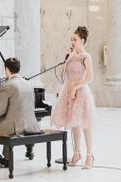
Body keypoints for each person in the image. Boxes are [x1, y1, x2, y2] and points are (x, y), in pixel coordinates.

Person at [51, 26, 96, 169]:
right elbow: (63, 74)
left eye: (75, 39)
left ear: (82, 41)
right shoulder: (70, 56)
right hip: (68, 91)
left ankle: (90, 155)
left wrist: (76, 87)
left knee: (85, 125)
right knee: (73, 123)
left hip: (81, 92)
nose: (72, 41)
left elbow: (90, 78)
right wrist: (65, 60)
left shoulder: (86, 57)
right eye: (72, 39)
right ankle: (77, 153)